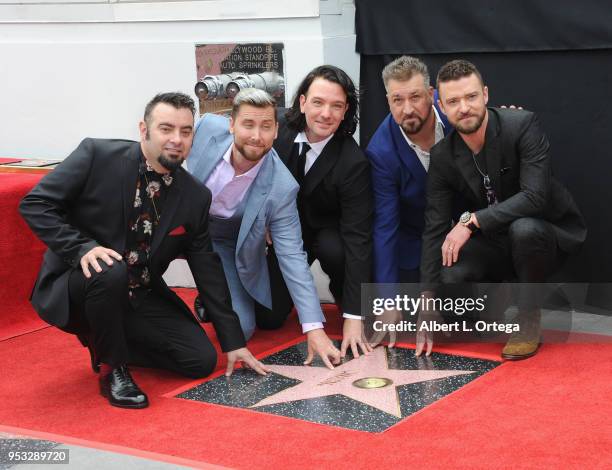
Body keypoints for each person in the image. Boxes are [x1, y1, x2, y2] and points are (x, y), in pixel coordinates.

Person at [19, 92, 268, 409]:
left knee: (200, 360)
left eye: (185, 131)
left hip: (139, 292)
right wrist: (82, 249)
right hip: (79, 284)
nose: (176, 140)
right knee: (111, 269)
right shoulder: (97, 155)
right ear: (144, 129)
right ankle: (113, 369)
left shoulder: (195, 196)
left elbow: (207, 267)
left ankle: (106, 337)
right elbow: (36, 204)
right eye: (166, 129)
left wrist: (233, 341)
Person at [419, 60, 587, 359]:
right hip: (495, 242)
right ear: (441, 108)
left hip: (544, 235)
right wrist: (426, 301)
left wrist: (471, 222)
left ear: (485, 94)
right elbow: (433, 226)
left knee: (524, 229)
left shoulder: (521, 124)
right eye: (453, 101)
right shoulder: (443, 155)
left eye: (471, 97)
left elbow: (534, 197)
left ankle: (528, 317)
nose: (464, 107)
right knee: (450, 270)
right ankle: (493, 302)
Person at [187, 88, 342, 367]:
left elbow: (293, 256)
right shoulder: (206, 128)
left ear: (276, 130)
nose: (256, 136)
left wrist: (314, 328)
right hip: (179, 224)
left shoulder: (282, 187)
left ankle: (210, 296)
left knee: (242, 329)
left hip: (222, 243)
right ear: (231, 123)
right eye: (248, 124)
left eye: (265, 126)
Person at [273, 65, 374, 358]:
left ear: (345, 112)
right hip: (281, 234)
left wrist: (355, 317)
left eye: (336, 106)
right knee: (269, 318)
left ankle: (345, 302)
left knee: (336, 247)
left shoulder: (353, 161)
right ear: (302, 102)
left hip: (329, 235)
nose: (326, 114)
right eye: (318, 102)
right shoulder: (275, 129)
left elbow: (358, 238)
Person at [366, 56, 452, 284]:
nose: (407, 109)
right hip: (417, 244)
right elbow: (386, 225)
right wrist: (387, 299)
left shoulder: (455, 113)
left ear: (431, 94)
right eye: (397, 100)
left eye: (415, 97)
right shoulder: (380, 151)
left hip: (469, 232)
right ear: (388, 101)